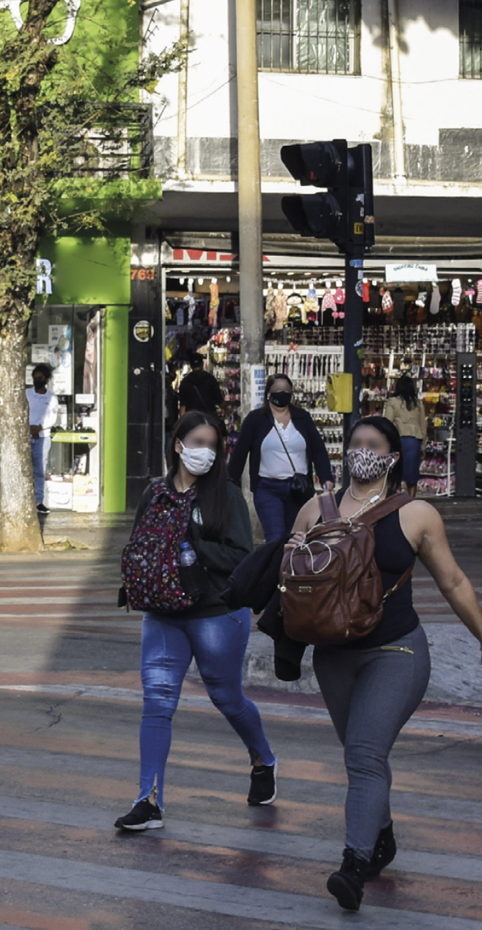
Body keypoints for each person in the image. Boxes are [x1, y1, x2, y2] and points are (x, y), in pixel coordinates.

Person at [290, 415, 482, 912]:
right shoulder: (313, 511)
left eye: (373, 444)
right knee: (365, 758)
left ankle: (354, 865)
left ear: (390, 456)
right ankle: (381, 837)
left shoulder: (416, 514)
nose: (362, 450)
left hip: (396, 651)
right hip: (334, 657)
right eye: (355, 442)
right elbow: (293, 583)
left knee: (363, 755)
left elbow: (453, 582)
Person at [116, 411, 278, 834]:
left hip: (215, 614)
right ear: (178, 445)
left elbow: (243, 557)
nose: (205, 451)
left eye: (212, 444)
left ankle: (263, 759)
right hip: (163, 614)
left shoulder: (224, 494)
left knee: (227, 698)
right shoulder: (154, 492)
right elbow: (140, 546)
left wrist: (195, 545)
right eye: (198, 442)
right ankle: (147, 801)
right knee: (157, 703)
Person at [230, 373, 335, 541]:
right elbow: (240, 452)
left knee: (297, 537)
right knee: (276, 539)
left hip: (299, 489)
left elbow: (318, 449)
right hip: (267, 489)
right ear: (268, 394)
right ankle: (276, 567)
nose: (282, 393)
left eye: (286, 390)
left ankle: (292, 567)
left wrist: (326, 477)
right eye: (278, 390)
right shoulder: (256, 419)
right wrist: (231, 482)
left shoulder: (302, 417)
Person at [383, 373, 428, 497]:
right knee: (412, 475)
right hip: (414, 442)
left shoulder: (392, 402)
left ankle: (393, 500)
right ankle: (411, 500)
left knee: (395, 473)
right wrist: (423, 446)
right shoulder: (418, 404)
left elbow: (387, 422)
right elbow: (423, 425)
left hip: (398, 440)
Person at [27, 363, 57, 514]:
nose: (37, 380)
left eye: (40, 378)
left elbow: (52, 418)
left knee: (39, 470)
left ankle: (38, 501)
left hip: (42, 436)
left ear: (46, 379)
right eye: (35, 378)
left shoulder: (51, 398)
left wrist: (39, 427)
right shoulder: (27, 394)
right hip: (25, 435)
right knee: (25, 470)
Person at [176, 352, 224, 418]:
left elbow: (182, 408)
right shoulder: (210, 379)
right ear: (202, 364)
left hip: (192, 420)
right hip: (208, 419)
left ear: (191, 365)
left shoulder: (185, 382)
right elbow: (220, 401)